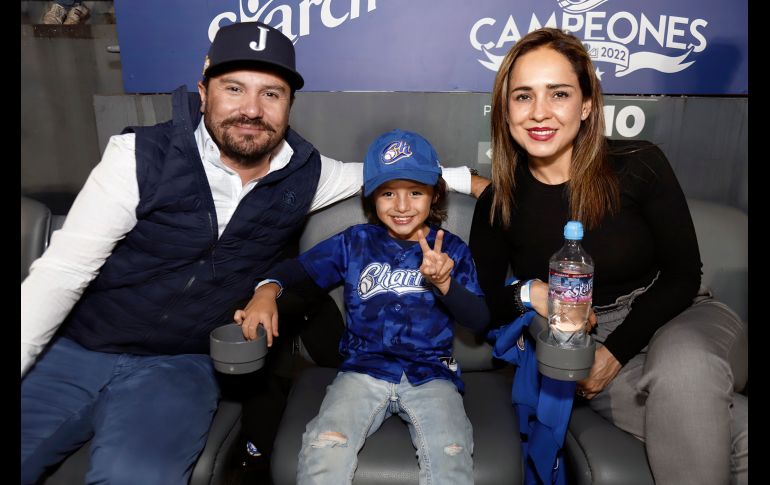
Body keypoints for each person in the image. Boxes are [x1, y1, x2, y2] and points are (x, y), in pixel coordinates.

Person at [20, 22, 485, 485]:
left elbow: (395, 174)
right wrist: (268, 287)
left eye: (271, 93)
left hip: (180, 363)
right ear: (203, 92)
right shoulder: (138, 156)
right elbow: (61, 273)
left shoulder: (305, 172)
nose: (251, 109)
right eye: (234, 88)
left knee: (132, 476)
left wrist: (481, 186)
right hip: (80, 346)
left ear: (289, 105)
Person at [469, 27, 747, 485]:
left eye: (559, 93)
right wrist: (529, 293)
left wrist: (614, 353)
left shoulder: (638, 163)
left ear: (586, 105)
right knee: (736, 433)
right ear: (505, 110)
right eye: (523, 96)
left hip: (679, 317)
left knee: (684, 369)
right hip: (585, 345)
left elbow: (683, 275)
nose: (539, 112)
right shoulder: (498, 203)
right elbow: (481, 309)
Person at [235, 129, 490, 484]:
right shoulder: (355, 242)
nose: (402, 206)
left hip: (431, 374)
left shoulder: (452, 249)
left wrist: (445, 284)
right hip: (362, 371)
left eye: (415, 192)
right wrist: (267, 290)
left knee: (450, 457)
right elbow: (299, 269)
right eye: (388, 193)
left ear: (435, 195)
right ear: (372, 197)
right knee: (324, 451)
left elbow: (479, 321)